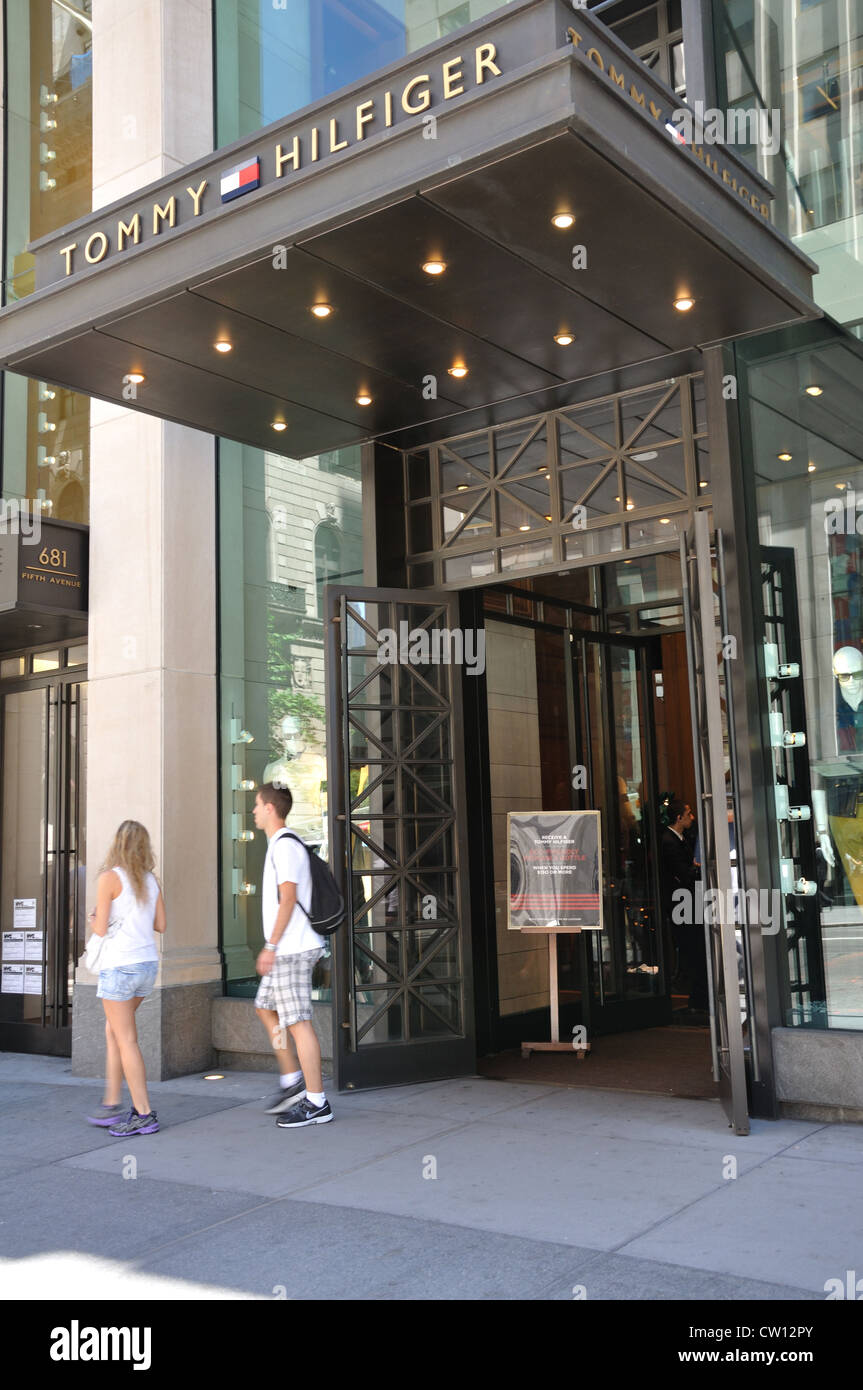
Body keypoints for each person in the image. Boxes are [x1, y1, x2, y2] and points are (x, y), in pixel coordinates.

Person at [253, 782, 333, 1127]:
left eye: (257, 805)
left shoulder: (285, 847)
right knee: (265, 1007)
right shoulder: (281, 845)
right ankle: (293, 1081)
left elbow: (288, 898)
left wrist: (270, 946)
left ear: (270, 808)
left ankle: (317, 1102)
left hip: (292, 949)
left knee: (299, 1023)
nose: (253, 811)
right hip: (289, 947)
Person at [85, 821, 166, 1136]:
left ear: (117, 843)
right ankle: (112, 1101)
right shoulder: (151, 881)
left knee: (127, 1039)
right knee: (114, 1030)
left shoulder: (109, 878)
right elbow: (161, 924)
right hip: (146, 966)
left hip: (120, 967)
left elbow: (101, 928)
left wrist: (93, 919)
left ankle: (143, 1113)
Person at [660, 799, 709, 1017]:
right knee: (694, 950)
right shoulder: (669, 841)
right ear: (678, 817)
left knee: (698, 950)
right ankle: (697, 999)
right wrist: (696, 868)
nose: (692, 818)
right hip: (682, 906)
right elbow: (684, 873)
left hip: (688, 904)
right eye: (688, 814)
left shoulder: (682, 837)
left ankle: (699, 998)